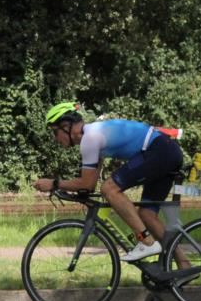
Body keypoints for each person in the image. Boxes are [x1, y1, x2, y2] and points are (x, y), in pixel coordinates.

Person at [33, 102, 185, 262]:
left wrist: (54, 184)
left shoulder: (89, 139)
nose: (54, 138)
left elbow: (86, 183)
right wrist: (69, 188)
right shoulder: (92, 135)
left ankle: (146, 241)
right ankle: (185, 265)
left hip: (159, 151)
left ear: (66, 126)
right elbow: (89, 184)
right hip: (166, 150)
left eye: (54, 132)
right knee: (147, 215)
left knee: (109, 189)